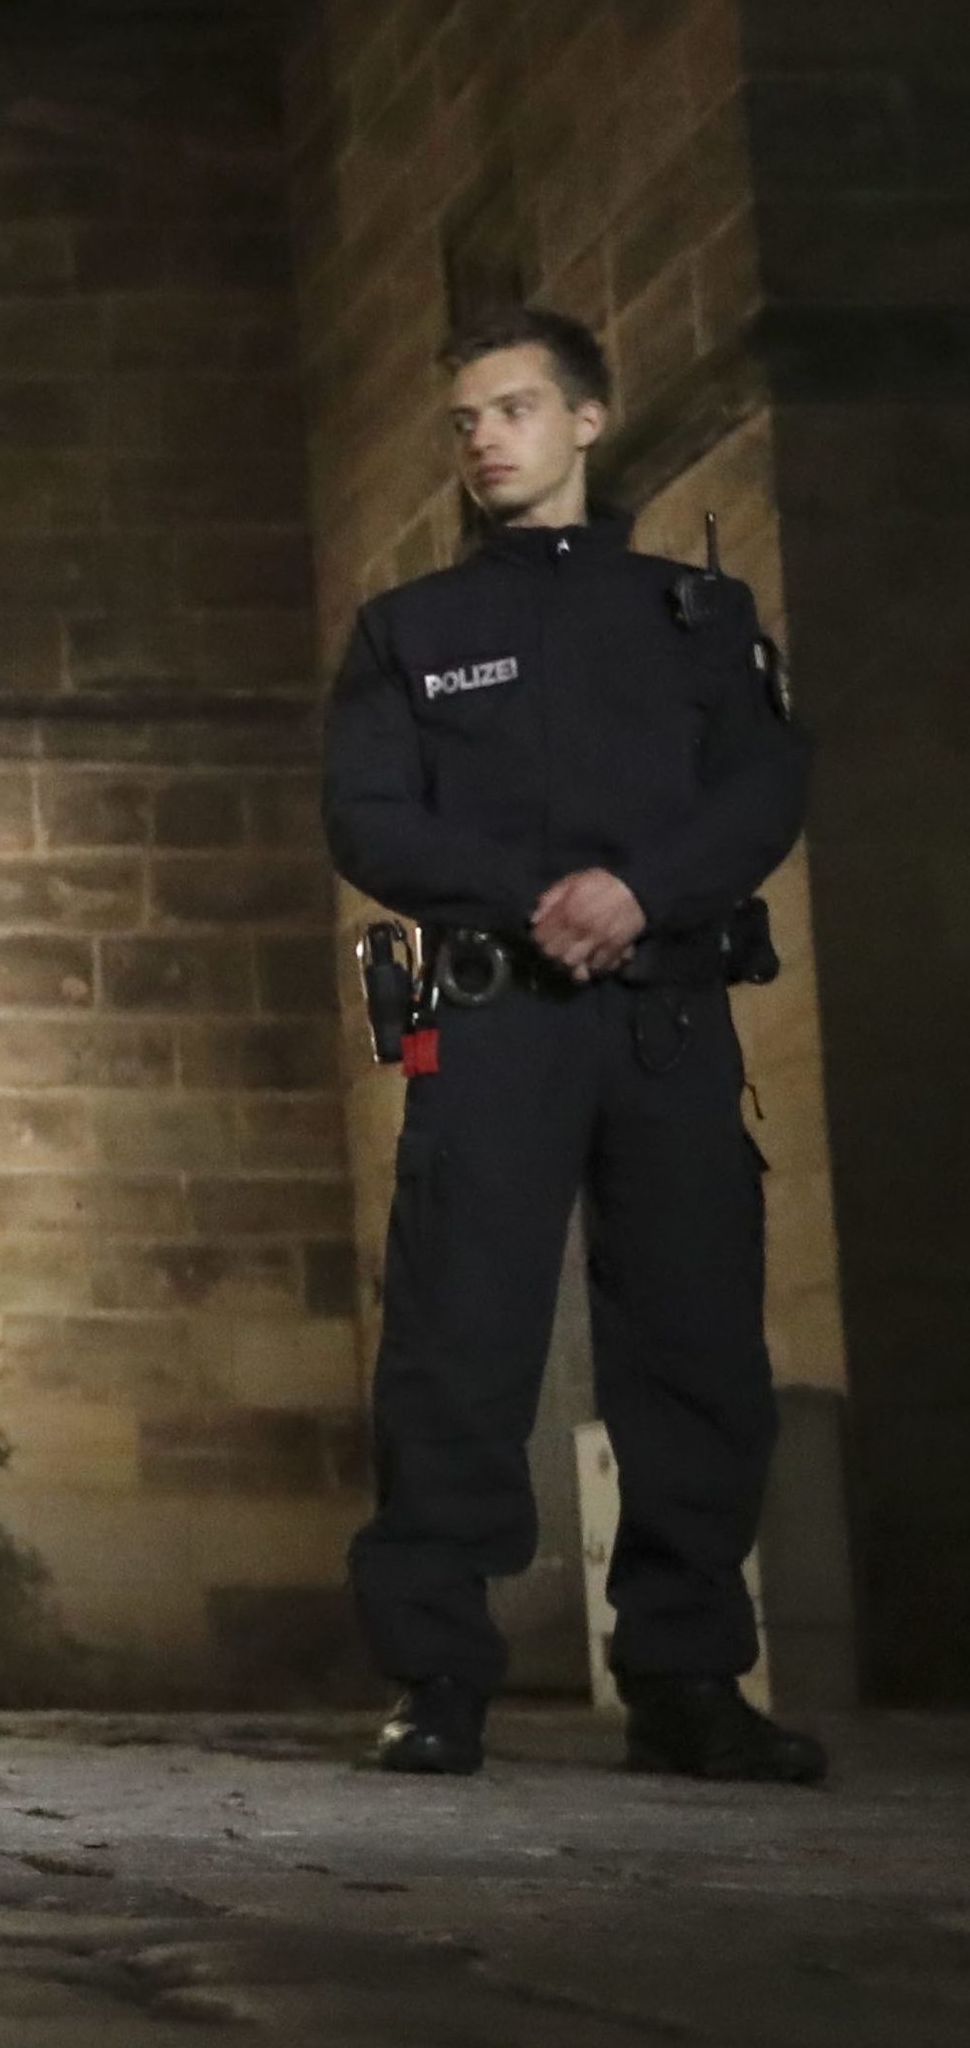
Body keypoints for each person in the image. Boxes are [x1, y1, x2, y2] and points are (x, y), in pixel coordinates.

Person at [324, 306, 822, 1784]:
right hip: (494, 1018)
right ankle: (436, 1673)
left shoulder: (697, 613)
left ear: (587, 422)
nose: (485, 436)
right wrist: (534, 905)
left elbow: (764, 787)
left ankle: (685, 1679)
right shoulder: (409, 630)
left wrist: (642, 893)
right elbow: (369, 817)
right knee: (455, 1339)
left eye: (515, 408)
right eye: (466, 417)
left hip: (667, 1012)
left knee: (694, 1341)